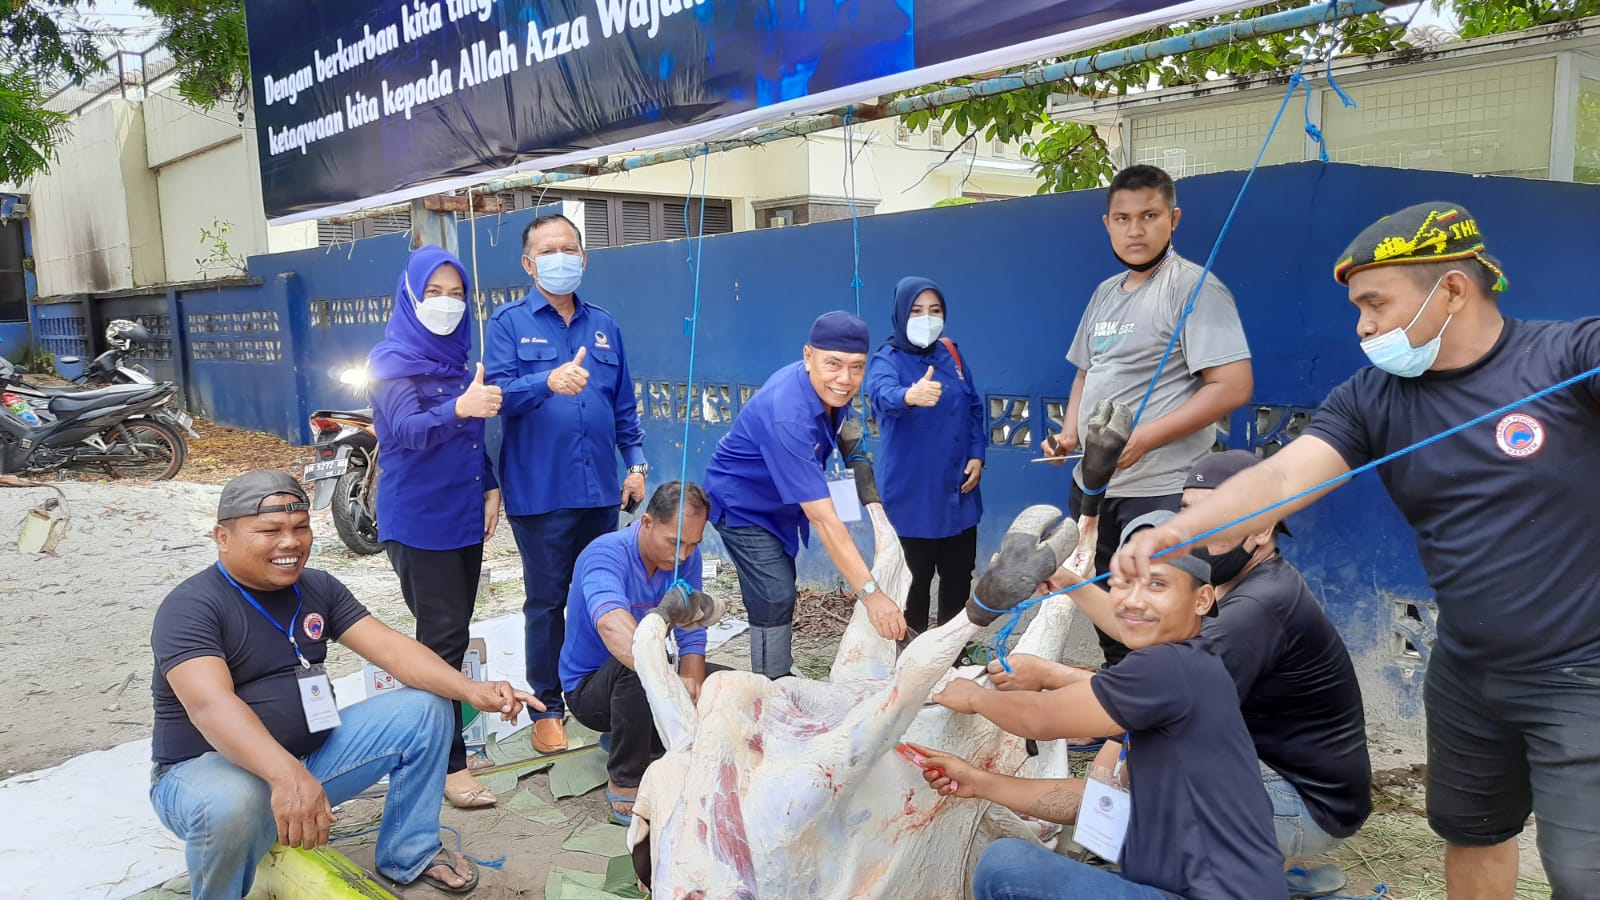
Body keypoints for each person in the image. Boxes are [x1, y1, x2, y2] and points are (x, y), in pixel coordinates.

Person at [1115, 201, 1600, 899]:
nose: (1363, 325)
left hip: (1581, 673)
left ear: (1454, 290)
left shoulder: (1569, 357)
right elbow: (1282, 476)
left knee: (1584, 874)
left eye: (1376, 303)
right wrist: (1174, 533)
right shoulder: (1375, 396)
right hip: (1467, 669)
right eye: (1357, 307)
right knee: (1473, 830)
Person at [148, 471, 542, 899]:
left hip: (308, 759)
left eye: (301, 528)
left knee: (427, 707)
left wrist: (470, 691)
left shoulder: (317, 588)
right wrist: (287, 778)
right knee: (231, 806)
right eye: (269, 531)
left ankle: (412, 852)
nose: (290, 543)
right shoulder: (191, 606)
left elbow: (393, 650)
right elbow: (211, 705)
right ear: (222, 537)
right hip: (205, 774)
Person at [1031, 449, 1370, 896]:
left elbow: (1146, 697)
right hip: (1276, 774)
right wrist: (1066, 581)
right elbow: (1150, 641)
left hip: (1306, 802)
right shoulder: (1235, 584)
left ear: (1264, 527)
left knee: (1143, 789)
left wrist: (1046, 675)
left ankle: (1240, 873)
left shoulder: (1256, 609)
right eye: (1189, 512)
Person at [916, 510, 1284, 900]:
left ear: (1202, 598)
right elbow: (1094, 802)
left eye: (1157, 584)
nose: (1133, 601)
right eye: (1123, 584)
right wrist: (981, 783)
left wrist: (973, 696)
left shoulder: (1166, 668)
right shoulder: (1196, 658)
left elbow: (1041, 717)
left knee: (1005, 866)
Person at [1042, 164, 1253, 668]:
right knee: (1107, 599)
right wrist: (1069, 434)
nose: (1135, 230)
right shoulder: (1105, 293)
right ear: (1107, 223)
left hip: (1158, 489)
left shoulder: (1194, 289)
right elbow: (1084, 374)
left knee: (1154, 609)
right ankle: (1121, 704)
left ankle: (1152, 719)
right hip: (1093, 485)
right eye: (1122, 218)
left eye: (1149, 215)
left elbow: (1234, 386)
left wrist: (1145, 438)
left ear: (1173, 218)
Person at [485, 213, 648, 754]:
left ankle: (601, 698)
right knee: (548, 599)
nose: (562, 258)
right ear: (530, 264)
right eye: (549, 251)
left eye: (570, 249)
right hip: (541, 491)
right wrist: (546, 381)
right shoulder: (508, 323)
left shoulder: (606, 324)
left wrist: (637, 463)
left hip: (601, 488)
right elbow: (498, 397)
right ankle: (548, 706)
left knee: (601, 593)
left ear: (584, 258)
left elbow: (623, 403)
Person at [368, 245, 505, 810]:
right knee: (442, 639)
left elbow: (471, 438)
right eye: (434, 293)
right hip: (420, 518)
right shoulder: (392, 359)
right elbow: (403, 430)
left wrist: (491, 483)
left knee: (452, 629)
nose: (446, 305)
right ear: (410, 295)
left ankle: (441, 742)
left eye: (456, 294)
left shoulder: (456, 357)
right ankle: (447, 765)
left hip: (463, 512)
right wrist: (461, 409)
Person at [703, 310, 909, 677]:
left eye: (857, 367)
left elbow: (845, 427)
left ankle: (776, 668)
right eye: (834, 364)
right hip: (742, 505)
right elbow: (825, 520)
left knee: (779, 584)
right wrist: (872, 596)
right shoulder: (789, 414)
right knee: (774, 591)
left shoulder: (828, 386)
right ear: (808, 356)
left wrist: (867, 487)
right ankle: (772, 682)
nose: (845, 379)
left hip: (782, 502)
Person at [560, 481, 730, 824]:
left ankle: (643, 737)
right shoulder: (604, 554)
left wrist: (691, 684)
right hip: (589, 692)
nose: (683, 555)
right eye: (675, 542)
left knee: (725, 682)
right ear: (647, 523)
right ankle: (626, 778)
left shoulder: (687, 558)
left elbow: (691, 632)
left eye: (693, 544)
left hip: (643, 681)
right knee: (637, 666)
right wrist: (670, 688)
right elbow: (612, 627)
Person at [864, 276, 985, 633]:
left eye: (935, 310)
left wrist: (977, 455)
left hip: (958, 491)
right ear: (901, 313)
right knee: (912, 583)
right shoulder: (886, 359)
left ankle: (952, 650)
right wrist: (909, 396)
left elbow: (974, 407)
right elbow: (881, 394)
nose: (926, 318)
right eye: (917, 311)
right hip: (912, 495)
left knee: (959, 576)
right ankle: (907, 654)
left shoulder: (951, 353)